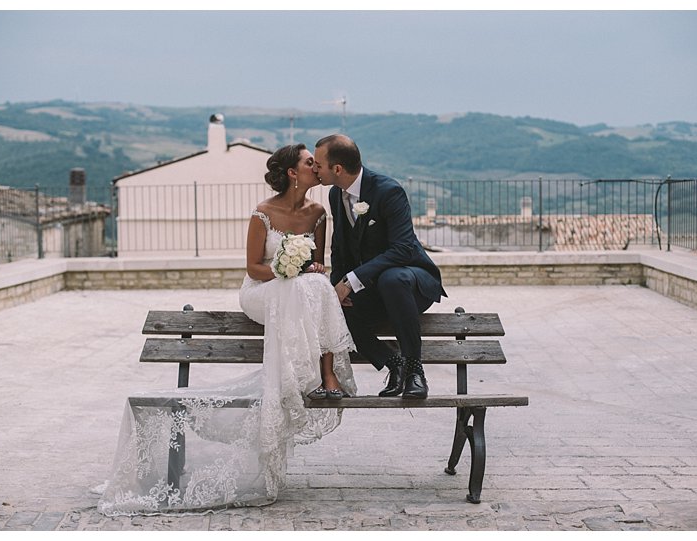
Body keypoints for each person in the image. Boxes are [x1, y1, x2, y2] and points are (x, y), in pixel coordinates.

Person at [97, 143, 356, 516]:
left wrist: (307, 271)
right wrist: (288, 270)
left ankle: (325, 374)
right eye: (309, 162)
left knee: (316, 285)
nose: (317, 167)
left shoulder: (318, 213)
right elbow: (253, 268)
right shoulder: (263, 213)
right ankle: (305, 376)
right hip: (262, 289)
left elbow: (317, 264)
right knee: (297, 287)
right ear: (293, 173)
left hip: (293, 290)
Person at [313, 134, 446, 399]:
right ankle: (392, 363)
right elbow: (339, 248)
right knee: (334, 309)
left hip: (410, 283)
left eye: (318, 164)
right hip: (375, 288)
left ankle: (415, 371)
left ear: (337, 168)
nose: (314, 169)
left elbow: (403, 248)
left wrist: (351, 281)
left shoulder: (388, 190)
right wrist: (337, 290)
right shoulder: (335, 194)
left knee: (392, 279)